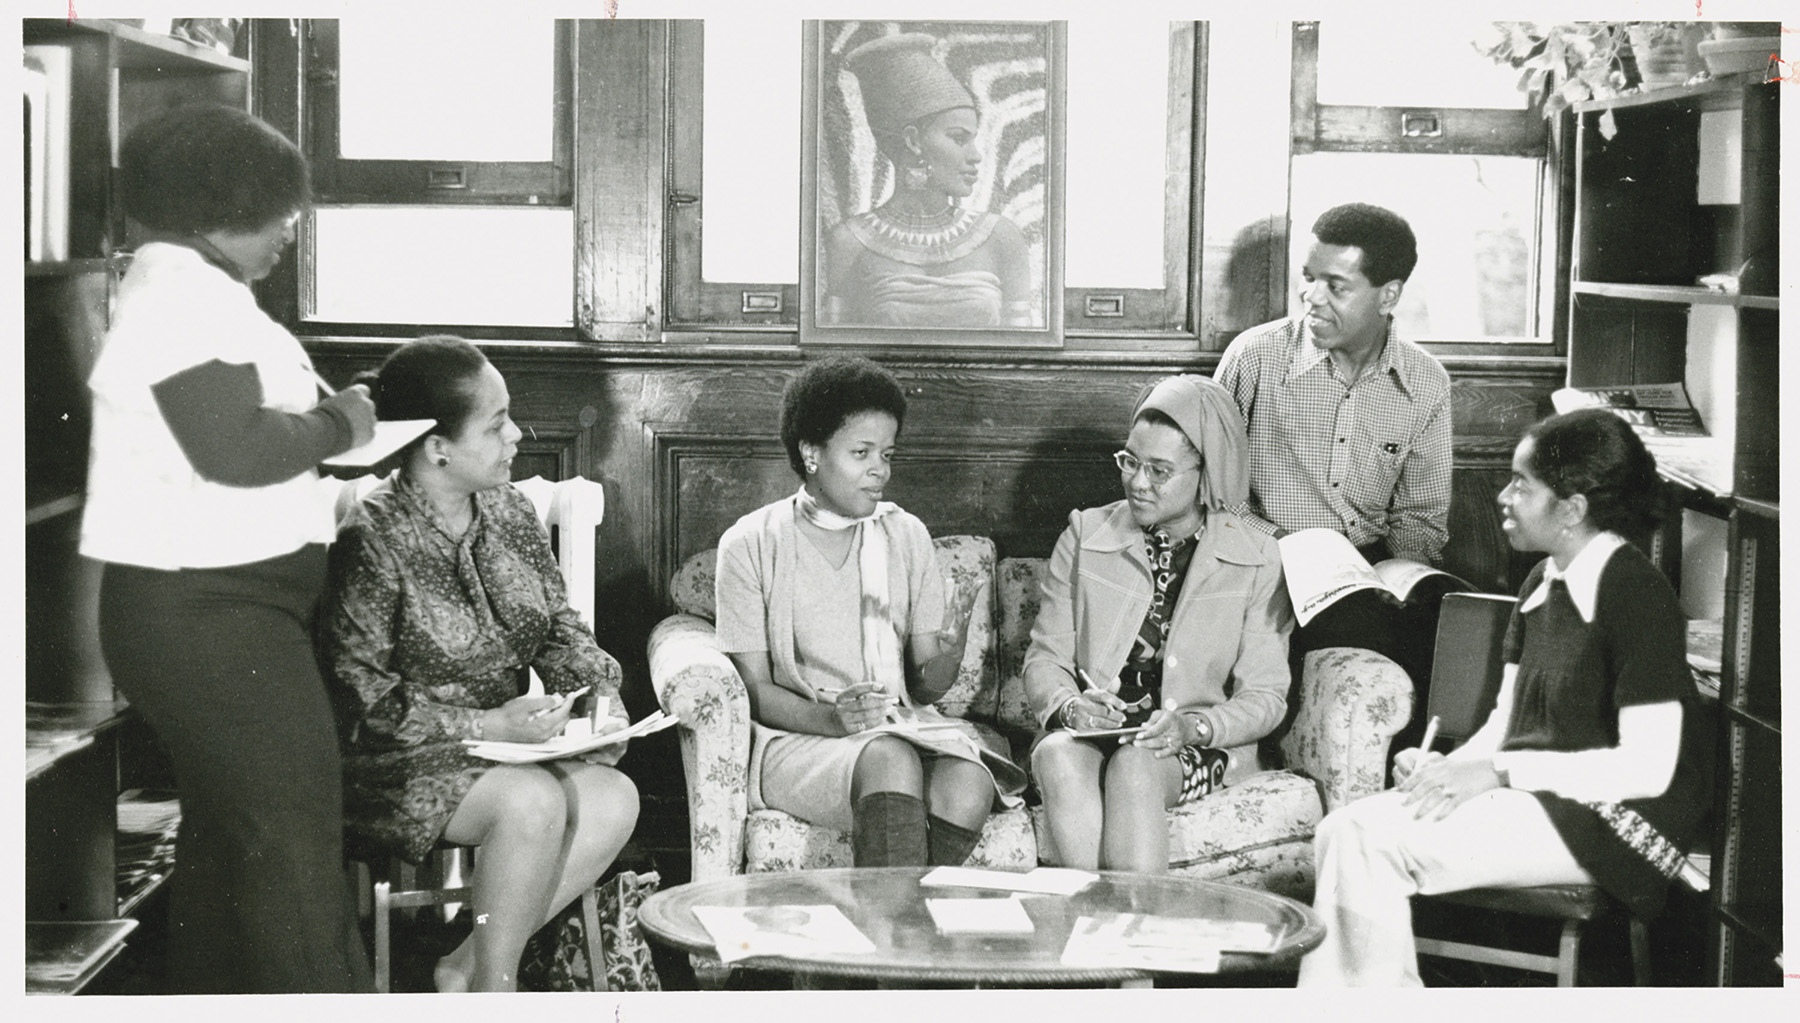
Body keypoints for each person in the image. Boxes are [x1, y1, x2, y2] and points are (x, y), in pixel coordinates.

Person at [79, 102, 375, 994]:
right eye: (276, 210)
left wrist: (325, 448)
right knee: (290, 848)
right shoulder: (178, 295)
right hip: (211, 616)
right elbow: (236, 449)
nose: (290, 229)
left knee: (234, 849)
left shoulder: (196, 290)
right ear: (219, 207)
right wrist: (343, 420)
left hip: (226, 610)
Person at [1298, 409, 1711, 986]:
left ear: (1572, 508)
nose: (1503, 496)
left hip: (1612, 823)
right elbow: (1506, 721)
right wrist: (1451, 767)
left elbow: (1646, 769)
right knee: (1342, 829)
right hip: (1541, 796)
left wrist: (1493, 772)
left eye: (1522, 484)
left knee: (1366, 842)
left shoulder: (1636, 594)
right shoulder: (1542, 581)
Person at [320, 336, 639, 992]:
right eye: (496, 425)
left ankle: (464, 966)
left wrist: (600, 692)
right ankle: (498, 988)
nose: (517, 435)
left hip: (510, 750)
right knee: (531, 803)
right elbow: (362, 704)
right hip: (396, 763)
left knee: (614, 797)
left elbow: (557, 628)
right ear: (438, 446)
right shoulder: (372, 540)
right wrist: (489, 724)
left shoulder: (510, 508)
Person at [714, 356, 1025, 868]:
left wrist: (950, 649)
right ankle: (892, 938)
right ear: (810, 452)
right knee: (889, 758)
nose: (880, 470)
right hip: (800, 737)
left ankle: (900, 927)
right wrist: (833, 720)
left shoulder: (905, 534)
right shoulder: (749, 545)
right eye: (861, 453)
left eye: (887, 453)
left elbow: (924, 688)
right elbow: (754, 691)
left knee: (968, 781)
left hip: (898, 723)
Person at [1023, 375, 1294, 872]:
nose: (1137, 482)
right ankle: (1105, 933)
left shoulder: (1257, 556)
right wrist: (1069, 708)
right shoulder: (1085, 533)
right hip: (1091, 735)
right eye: (1130, 461)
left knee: (1135, 764)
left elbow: (1266, 697)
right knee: (1058, 754)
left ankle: (1121, 936)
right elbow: (1045, 659)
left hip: (1190, 745)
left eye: (1159, 470)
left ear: (1205, 473)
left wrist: (1195, 726)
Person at [1213, 202, 1454, 754]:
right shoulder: (1253, 359)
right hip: (1268, 564)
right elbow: (1214, 497)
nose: (1312, 298)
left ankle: (1424, 788)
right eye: (1309, 279)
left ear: (1388, 296)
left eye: (1335, 286)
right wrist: (1285, 547)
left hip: (1368, 571)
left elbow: (1421, 519)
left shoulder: (1426, 383)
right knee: (1366, 632)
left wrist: (1401, 578)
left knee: (1457, 620)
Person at [824, 32, 1034, 328]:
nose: (975, 156)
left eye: (972, 140)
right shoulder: (849, 241)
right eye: (959, 138)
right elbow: (839, 354)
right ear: (913, 141)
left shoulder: (1002, 237)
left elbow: (1022, 354)